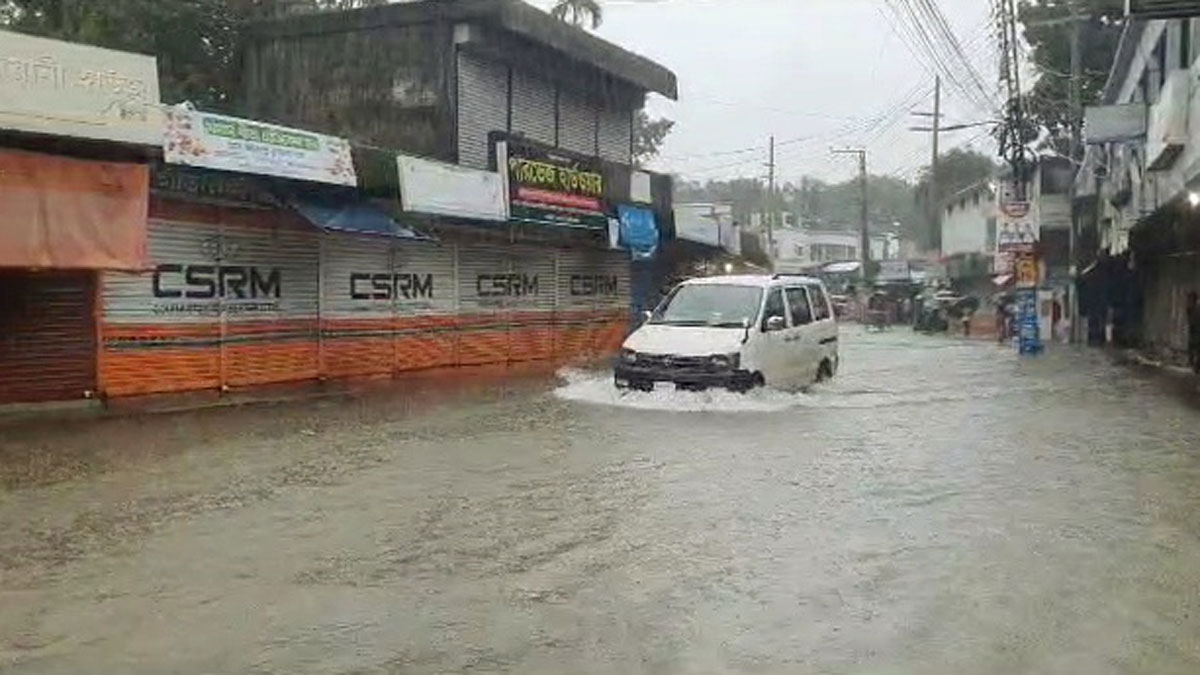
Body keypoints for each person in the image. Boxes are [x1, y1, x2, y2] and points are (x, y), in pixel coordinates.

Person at [1187, 292, 1200, 373]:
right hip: (1194, 331)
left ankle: (1196, 366)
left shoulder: (1196, 308)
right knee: (1193, 349)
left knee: (1196, 349)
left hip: (1197, 331)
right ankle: (1195, 366)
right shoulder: (1192, 308)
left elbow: (1192, 321)